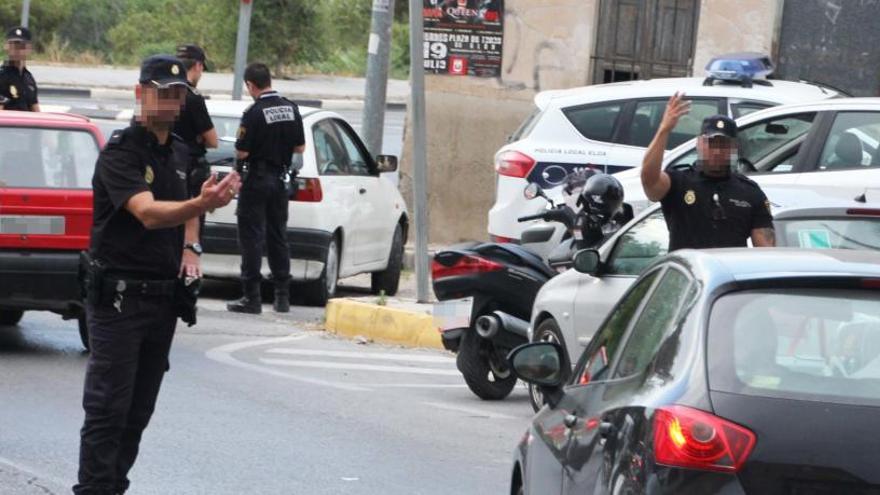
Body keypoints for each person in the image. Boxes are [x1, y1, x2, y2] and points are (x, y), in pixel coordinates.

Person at [74, 55, 241, 495]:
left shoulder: (180, 152)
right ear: (140, 94)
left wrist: (191, 244)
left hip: (162, 300)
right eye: (161, 93)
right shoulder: (121, 152)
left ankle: (114, 487)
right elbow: (148, 213)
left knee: (137, 413)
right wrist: (200, 205)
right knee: (108, 410)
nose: (169, 102)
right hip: (119, 301)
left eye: (176, 94)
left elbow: (186, 205)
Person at [640, 93, 776, 251]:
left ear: (734, 148)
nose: (717, 151)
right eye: (711, 143)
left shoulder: (750, 192)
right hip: (688, 266)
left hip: (729, 267)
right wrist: (664, 130)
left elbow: (766, 250)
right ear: (699, 144)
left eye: (723, 145)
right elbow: (649, 180)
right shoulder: (678, 182)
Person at [226, 63, 306, 315]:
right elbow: (300, 148)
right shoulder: (291, 108)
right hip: (280, 180)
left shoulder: (253, 112)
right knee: (277, 236)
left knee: (251, 238)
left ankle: (252, 297)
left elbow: (242, 152)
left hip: (256, 181)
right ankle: (282, 297)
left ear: (250, 85)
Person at [173, 43, 218, 240]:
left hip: (164, 169)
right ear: (198, 65)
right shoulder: (193, 97)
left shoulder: (160, 92)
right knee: (192, 226)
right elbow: (213, 141)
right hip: (189, 170)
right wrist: (198, 138)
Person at [1, 26, 40, 111]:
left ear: (29, 48)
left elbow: (36, 110)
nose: (16, 50)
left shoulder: (28, 78)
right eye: (12, 46)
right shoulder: (2, 76)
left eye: (21, 46)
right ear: (6, 47)